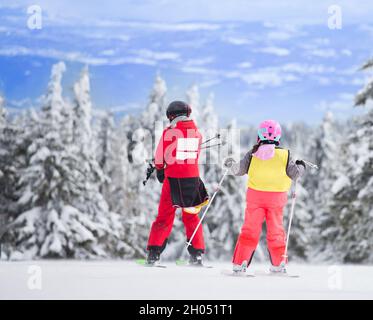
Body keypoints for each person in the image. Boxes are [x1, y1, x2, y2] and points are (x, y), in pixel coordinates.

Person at [224, 120, 306, 274]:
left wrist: (230, 163)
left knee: (249, 230)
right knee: (276, 232)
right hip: (277, 199)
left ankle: (240, 263)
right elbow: (295, 174)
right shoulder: (285, 154)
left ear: (259, 135)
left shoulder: (253, 153)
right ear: (278, 136)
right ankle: (278, 264)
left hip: (255, 197)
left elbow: (238, 170)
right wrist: (301, 165)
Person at [146, 101, 209, 266]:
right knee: (191, 217)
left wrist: (160, 170)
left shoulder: (169, 132)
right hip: (192, 180)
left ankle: (154, 253)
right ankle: (197, 254)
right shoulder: (197, 134)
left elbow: (160, 158)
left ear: (172, 115)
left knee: (164, 217)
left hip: (173, 180)